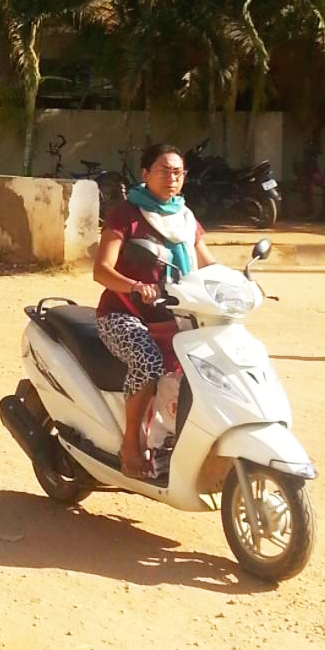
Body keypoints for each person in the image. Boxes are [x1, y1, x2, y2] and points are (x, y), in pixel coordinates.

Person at [92, 141, 215, 479]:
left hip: (176, 313)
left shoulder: (185, 218)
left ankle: (176, 441)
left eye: (178, 172)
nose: (172, 177)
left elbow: (208, 263)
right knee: (147, 361)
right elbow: (101, 270)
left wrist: (237, 282)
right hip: (123, 314)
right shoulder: (125, 214)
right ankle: (131, 442)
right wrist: (134, 286)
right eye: (164, 170)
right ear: (145, 174)